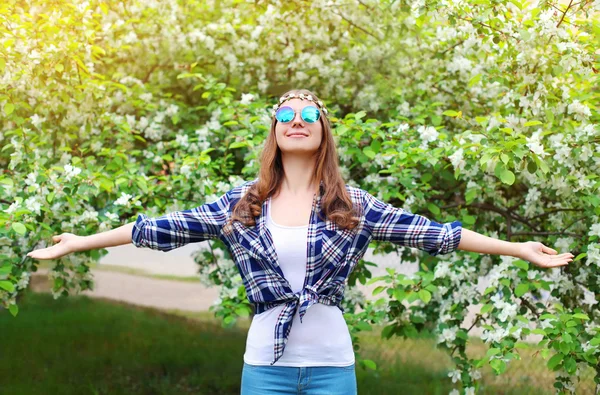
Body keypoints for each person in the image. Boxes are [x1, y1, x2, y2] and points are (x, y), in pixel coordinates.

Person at [27, 89, 574, 395]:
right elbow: (157, 228)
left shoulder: (351, 206)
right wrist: (76, 243)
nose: (296, 119)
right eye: (284, 113)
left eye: (309, 113)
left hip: (332, 366)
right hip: (263, 367)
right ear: (274, 132)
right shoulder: (241, 205)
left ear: (322, 132)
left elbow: (436, 235)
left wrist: (518, 247)